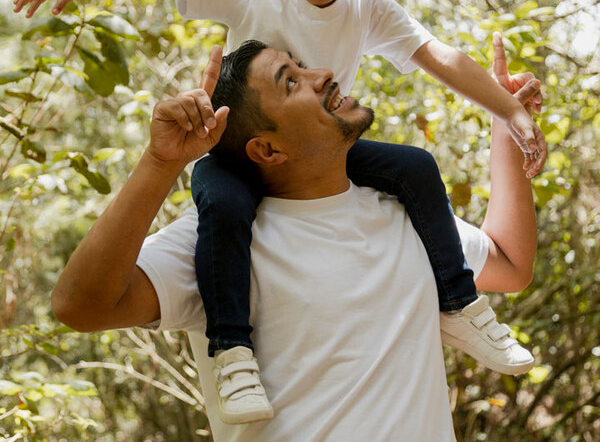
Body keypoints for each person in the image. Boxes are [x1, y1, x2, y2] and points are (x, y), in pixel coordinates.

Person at [14, 0, 545, 423]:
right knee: (220, 202)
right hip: (234, 153)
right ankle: (232, 346)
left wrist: (508, 114)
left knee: (416, 166)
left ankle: (459, 303)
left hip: (316, 156)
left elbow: (437, 55)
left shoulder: (367, 10)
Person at [51, 35, 540, 441]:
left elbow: (510, 265)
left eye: (302, 67)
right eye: (292, 82)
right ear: (266, 148)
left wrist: (505, 124)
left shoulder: (406, 212)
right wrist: (161, 162)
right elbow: (81, 305)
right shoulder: (220, 243)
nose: (322, 74)